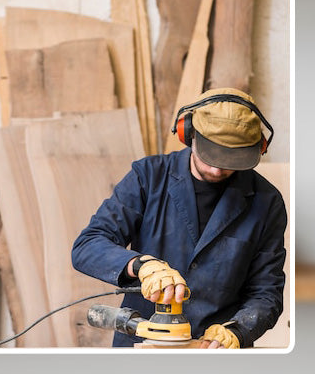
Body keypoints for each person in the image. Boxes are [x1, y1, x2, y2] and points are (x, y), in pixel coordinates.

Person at [71, 88, 286, 348]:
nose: (217, 168)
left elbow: (266, 293)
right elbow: (87, 246)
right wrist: (140, 265)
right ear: (189, 134)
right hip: (143, 344)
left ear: (257, 148)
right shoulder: (148, 177)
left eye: (230, 159)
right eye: (210, 155)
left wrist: (238, 331)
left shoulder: (266, 201)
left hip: (214, 351)